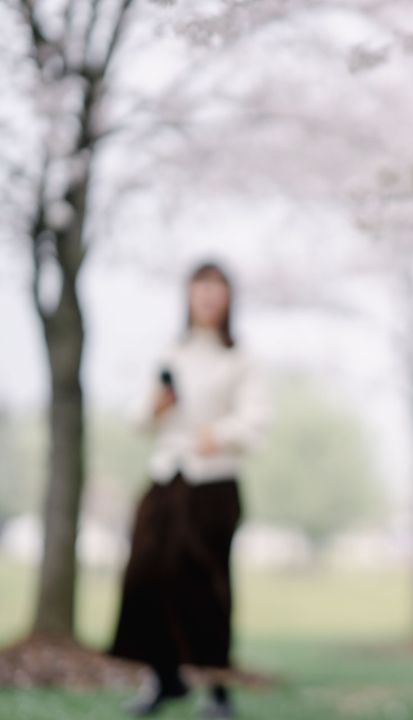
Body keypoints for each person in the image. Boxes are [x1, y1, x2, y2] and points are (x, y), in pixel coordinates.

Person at [111, 261, 270, 718]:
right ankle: (165, 678)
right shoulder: (172, 352)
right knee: (144, 574)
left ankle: (218, 690)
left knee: (206, 585)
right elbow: (137, 420)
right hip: (167, 475)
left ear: (227, 299)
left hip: (213, 482)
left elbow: (258, 419)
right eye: (200, 289)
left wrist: (218, 434)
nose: (207, 298)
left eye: (216, 290)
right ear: (187, 295)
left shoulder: (240, 358)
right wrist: (155, 406)